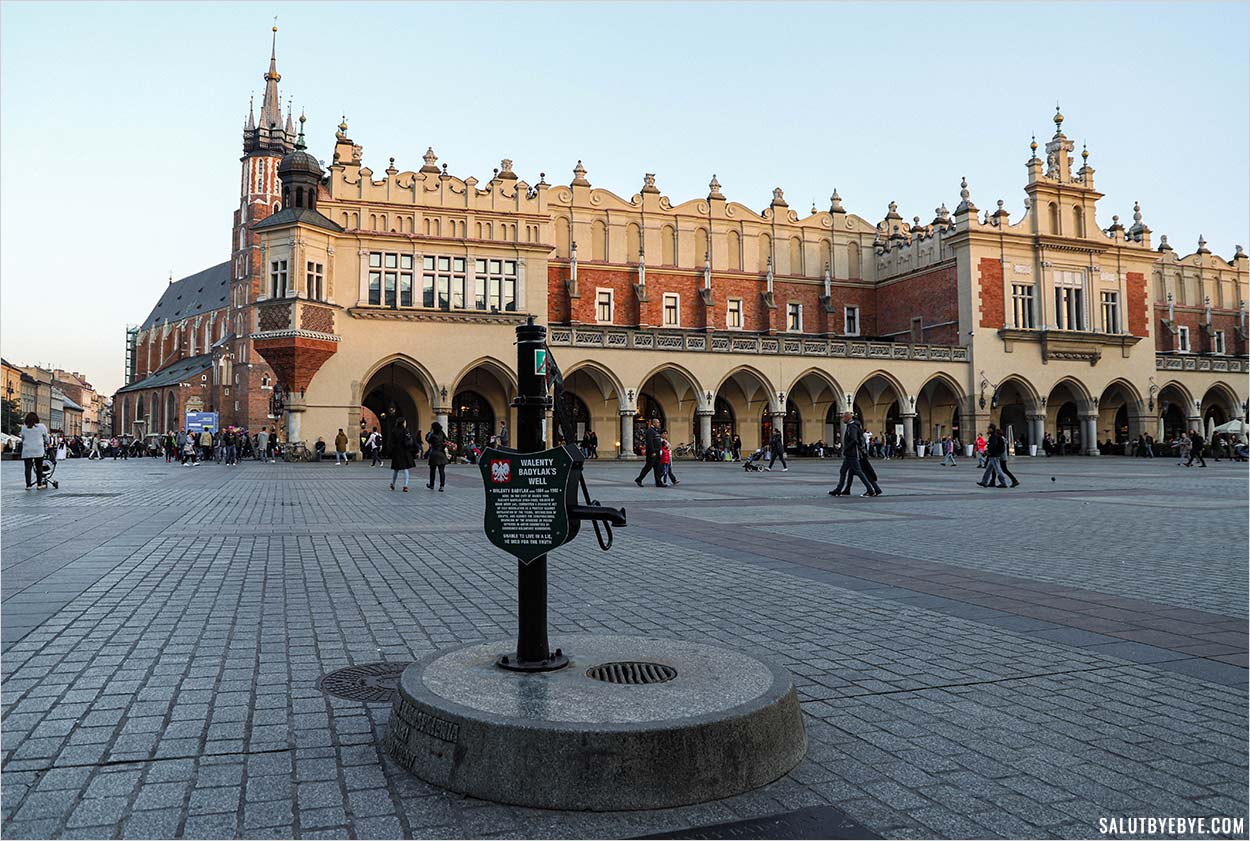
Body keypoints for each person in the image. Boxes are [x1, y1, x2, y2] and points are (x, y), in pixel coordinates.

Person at [830, 410, 880, 497]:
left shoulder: (852, 427)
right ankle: (841, 489)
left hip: (852, 453)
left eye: (843, 418)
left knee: (859, 471)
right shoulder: (852, 426)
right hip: (851, 453)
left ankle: (870, 489)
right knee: (845, 471)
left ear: (848, 417)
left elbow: (854, 440)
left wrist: (846, 448)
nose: (842, 420)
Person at [20, 412, 52, 490]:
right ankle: (39, 484)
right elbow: (46, 437)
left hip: (27, 450)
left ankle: (28, 485)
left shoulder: (24, 427)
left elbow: (23, 438)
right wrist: (48, 444)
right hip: (38, 449)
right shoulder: (41, 427)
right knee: (39, 467)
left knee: (28, 468)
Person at [634, 418, 665, 487]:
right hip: (652, 453)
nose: (659, 424)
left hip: (657, 453)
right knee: (648, 467)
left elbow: (657, 440)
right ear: (654, 423)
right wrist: (652, 451)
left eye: (659, 423)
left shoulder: (656, 431)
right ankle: (639, 479)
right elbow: (650, 442)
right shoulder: (650, 431)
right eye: (658, 423)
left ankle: (658, 482)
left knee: (658, 468)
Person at [425, 420, 448, 491]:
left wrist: (430, 432)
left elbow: (427, 439)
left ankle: (432, 485)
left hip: (434, 454)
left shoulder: (432, 435)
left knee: (432, 471)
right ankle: (442, 486)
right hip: (441, 454)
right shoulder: (442, 433)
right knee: (442, 471)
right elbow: (446, 440)